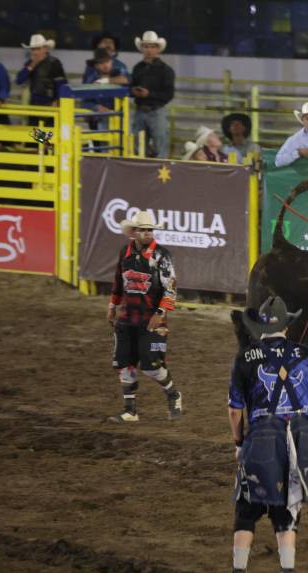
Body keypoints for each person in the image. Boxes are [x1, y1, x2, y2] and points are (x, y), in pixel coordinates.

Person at [225, 296, 308, 573]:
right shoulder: (305, 355)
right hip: (300, 437)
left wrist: (239, 443)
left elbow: (234, 410)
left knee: (246, 509)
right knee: (287, 509)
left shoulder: (245, 357)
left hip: (262, 436)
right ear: (286, 326)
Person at [107, 209, 183, 423]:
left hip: (151, 318)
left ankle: (173, 393)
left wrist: (161, 313)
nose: (148, 233)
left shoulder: (162, 255)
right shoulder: (125, 253)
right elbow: (118, 281)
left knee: (152, 367)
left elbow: (171, 288)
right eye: (144, 230)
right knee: (125, 363)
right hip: (127, 317)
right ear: (134, 232)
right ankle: (130, 410)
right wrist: (112, 305)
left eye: (150, 230)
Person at [130, 31, 175, 158]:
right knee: (139, 146)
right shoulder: (138, 68)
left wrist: (148, 94)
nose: (149, 50)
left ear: (157, 49)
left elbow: (169, 94)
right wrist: (133, 91)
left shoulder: (166, 71)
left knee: (159, 146)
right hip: (142, 111)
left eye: (152, 47)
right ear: (142, 49)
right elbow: (131, 86)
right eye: (146, 46)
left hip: (156, 111)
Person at [82, 47, 129, 130]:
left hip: (119, 116)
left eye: (107, 61)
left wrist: (106, 80)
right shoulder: (91, 80)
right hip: (99, 118)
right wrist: (97, 107)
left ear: (111, 61)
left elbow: (126, 80)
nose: (105, 65)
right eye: (101, 63)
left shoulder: (118, 72)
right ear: (96, 66)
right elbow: (85, 102)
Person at [15, 34, 66, 107]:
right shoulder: (29, 63)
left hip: (51, 105)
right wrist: (32, 65)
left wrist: (57, 101)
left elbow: (61, 84)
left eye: (38, 49)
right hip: (34, 105)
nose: (35, 52)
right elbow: (19, 80)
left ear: (45, 49)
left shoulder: (54, 63)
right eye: (33, 49)